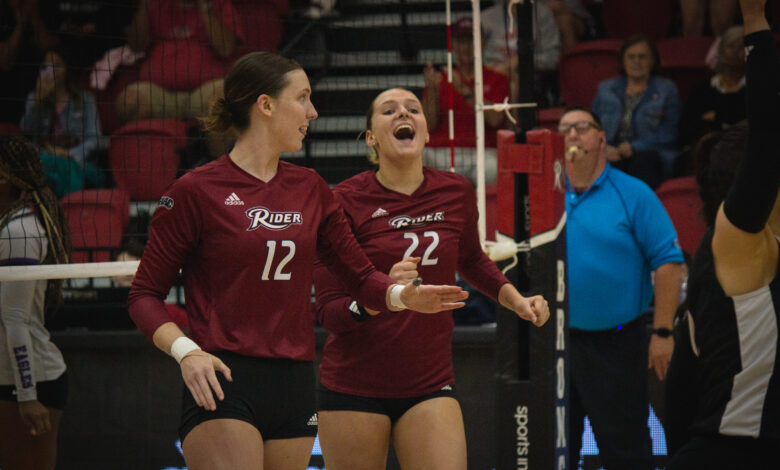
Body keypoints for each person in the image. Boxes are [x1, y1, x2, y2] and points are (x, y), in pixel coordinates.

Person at [127, 52, 468, 470]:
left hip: (294, 382)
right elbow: (144, 294)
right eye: (303, 98)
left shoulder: (311, 188)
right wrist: (186, 352)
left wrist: (401, 297)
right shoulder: (195, 190)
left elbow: (359, 276)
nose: (313, 111)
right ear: (266, 105)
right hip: (223, 374)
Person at [311, 87, 550, 470]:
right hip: (353, 385)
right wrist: (384, 292)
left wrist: (515, 299)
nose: (403, 114)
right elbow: (328, 312)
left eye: (413, 109)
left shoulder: (455, 190)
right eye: (389, 111)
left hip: (429, 382)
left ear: (424, 132)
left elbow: (471, 259)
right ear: (371, 138)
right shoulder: (343, 200)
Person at [665, 0, 780, 467]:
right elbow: (770, 135)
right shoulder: (737, 242)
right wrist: (755, 22)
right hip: (733, 454)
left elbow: (679, 391)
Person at [559, 107, 684, 468]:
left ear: (602, 138)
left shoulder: (633, 193)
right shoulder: (543, 196)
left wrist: (662, 331)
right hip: (554, 344)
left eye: (581, 128)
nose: (571, 135)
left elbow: (669, 264)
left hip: (616, 343)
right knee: (551, 449)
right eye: (564, 129)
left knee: (625, 449)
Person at [0, 135, 72, 470]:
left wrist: (27, 397)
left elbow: (15, 321)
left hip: (30, 383)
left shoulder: (20, 230)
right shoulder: (10, 224)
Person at [115, 0, 244, 125]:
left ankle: (221, 147)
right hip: (160, 93)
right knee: (129, 102)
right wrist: (144, 5)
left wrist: (206, 8)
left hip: (205, 90)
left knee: (224, 101)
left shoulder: (218, 3)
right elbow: (136, 46)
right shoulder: (156, 4)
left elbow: (226, 49)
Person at [591, 35, 681, 189]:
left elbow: (670, 133)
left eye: (642, 57)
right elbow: (592, 125)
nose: (636, 61)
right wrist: (602, 148)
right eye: (631, 57)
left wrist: (635, 147)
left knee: (644, 162)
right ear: (622, 61)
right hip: (611, 151)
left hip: (649, 153)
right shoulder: (606, 88)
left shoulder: (666, 89)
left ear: (653, 61)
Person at [20, 48, 105, 197]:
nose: (52, 71)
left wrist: (68, 154)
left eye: (57, 66)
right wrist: (38, 103)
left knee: (65, 168)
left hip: (79, 163)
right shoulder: (34, 98)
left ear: (67, 69)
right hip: (45, 163)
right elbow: (26, 129)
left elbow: (95, 139)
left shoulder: (85, 99)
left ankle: (69, 211)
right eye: (47, 66)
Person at [422, 16, 510, 149]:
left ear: (483, 43)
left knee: (492, 165)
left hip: (483, 152)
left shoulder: (497, 78)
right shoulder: (440, 79)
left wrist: (462, 88)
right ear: (452, 45)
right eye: (461, 41)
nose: (466, 47)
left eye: (471, 41)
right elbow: (428, 124)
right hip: (441, 150)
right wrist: (432, 90)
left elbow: (495, 120)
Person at [678, 25, 745, 176]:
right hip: (703, 150)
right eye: (731, 46)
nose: (735, 52)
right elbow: (687, 129)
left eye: (741, 47)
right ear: (720, 51)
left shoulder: (756, 92)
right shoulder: (701, 91)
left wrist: (715, 118)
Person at [481, 0, 561, 106]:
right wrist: (495, 70)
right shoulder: (485, 17)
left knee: (514, 80)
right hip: (492, 75)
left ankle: (515, 122)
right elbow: (475, 57)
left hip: (532, 78)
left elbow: (553, 58)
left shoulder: (542, 14)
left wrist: (521, 61)